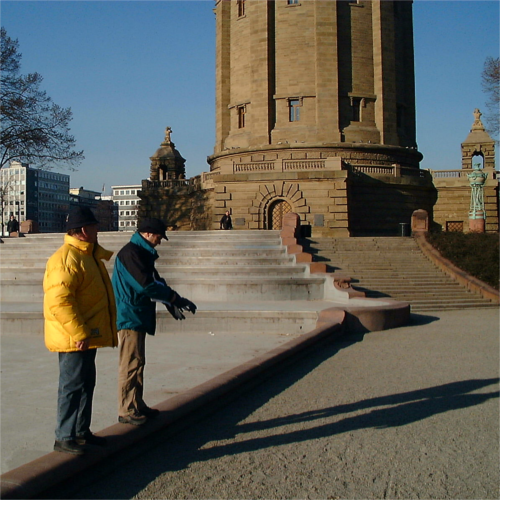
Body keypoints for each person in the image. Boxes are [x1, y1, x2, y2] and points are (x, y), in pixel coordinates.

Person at [43, 207, 117, 456]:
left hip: (86, 334)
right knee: (72, 385)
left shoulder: (87, 255)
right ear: (84, 230)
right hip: (74, 337)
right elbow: (59, 302)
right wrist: (80, 333)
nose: (98, 230)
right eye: (95, 226)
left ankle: (81, 432)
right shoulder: (66, 259)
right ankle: (64, 437)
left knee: (86, 384)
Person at [112, 218, 197, 426]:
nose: (160, 241)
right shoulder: (131, 253)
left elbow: (156, 282)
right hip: (129, 315)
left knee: (138, 361)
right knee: (130, 363)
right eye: (159, 237)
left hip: (137, 313)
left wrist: (171, 300)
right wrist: (174, 298)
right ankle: (127, 409)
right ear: (148, 234)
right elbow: (146, 286)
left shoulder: (141, 253)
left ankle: (136, 403)